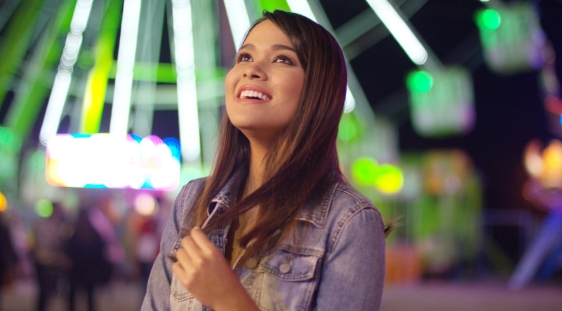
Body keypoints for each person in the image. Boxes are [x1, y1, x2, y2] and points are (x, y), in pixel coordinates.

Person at [141, 10, 387, 311]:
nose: (251, 70)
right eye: (244, 57)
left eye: (282, 59)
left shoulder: (349, 221)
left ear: (317, 90)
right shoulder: (193, 202)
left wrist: (228, 299)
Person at [66, 209, 110, 311]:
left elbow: (69, 250)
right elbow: (101, 250)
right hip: (89, 271)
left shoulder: (74, 233)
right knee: (90, 298)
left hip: (76, 271)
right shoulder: (93, 233)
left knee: (73, 298)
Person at [33, 202, 67, 311]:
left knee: (50, 291)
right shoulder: (45, 224)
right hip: (44, 261)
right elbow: (45, 242)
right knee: (44, 291)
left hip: (52, 261)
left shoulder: (60, 225)